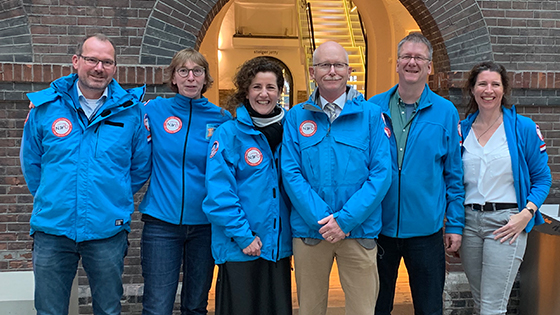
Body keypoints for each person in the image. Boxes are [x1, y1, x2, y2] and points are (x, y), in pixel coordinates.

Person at [20, 33, 151, 315]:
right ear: (76, 61)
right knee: (50, 310)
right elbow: (31, 163)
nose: (98, 68)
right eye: (92, 59)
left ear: (115, 68)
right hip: (53, 229)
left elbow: (140, 166)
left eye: (107, 62)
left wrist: (112, 196)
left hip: (107, 230)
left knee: (108, 308)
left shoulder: (131, 112)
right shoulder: (45, 108)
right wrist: (53, 196)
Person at [281, 41, 391, 315]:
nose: (332, 71)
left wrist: (344, 221)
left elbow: (381, 174)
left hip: (358, 230)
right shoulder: (296, 116)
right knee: (310, 309)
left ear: (349, 70)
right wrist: (323, 221)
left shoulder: (372, 116)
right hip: (311, 232)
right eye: (324, 65)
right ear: (312, 71)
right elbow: (291, 172)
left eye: (338, 65)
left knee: (362, 310)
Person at [368, 32, 464, 315]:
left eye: (419, 58)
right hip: (378, 228)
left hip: (426, 232)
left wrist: (455, 224)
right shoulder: (373, 108)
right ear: (396, 64)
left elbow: (454, 175)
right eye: (406, 57)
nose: (412, 63)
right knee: (375, 306)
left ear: (430, 67)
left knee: (429, 307)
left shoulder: (446, 112)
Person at [138, 48, 231, 315]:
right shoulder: (154, 110)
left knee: (195, 306)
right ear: (174, 78)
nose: (191, 78)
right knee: (157, 306)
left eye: (197, 71)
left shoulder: (222, 119)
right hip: (161, 225)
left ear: (205, 79)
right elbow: (114, 106)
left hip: (204, 226)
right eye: (183, 71)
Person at [459, 61, 551, 315]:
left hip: (506, 223)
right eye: (482, 84)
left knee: (492, 307)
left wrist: (527, 213)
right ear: (472, 89)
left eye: (495, 84)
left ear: (503, 89)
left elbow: (543, 178)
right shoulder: (462, 130)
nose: (488, 90)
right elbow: (454, 181)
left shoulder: (523, 128)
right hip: (469, 223)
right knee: (481, 303)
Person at [202, 56, 292, 315]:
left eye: (270, 87)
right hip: (241, 246)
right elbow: (219, 194)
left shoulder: (290, 131)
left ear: (279, 92)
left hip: (277, 247)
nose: (263, 94)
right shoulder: (228, 134)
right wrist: (244, 236)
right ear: (246, 91)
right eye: (256, 87)